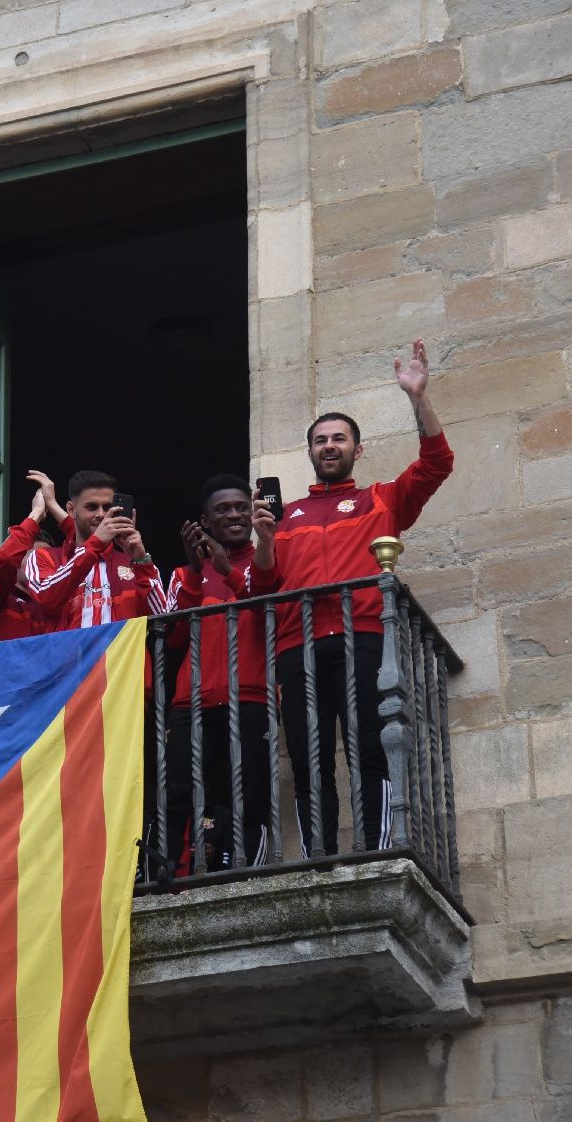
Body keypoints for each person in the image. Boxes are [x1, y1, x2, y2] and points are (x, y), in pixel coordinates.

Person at [252, 339, 453, 858]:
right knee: (307, 758)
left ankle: (375, 847)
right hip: (298, 648)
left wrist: (418, 399)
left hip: (362, 637)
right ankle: (318, 855)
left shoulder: (380, 500)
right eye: (320, 441)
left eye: (339, 439)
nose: (329, 446)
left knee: (368, 748)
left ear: (356, 450)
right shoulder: (287, 514)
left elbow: (436, 465)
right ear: (312, 452)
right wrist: (267, 542)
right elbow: (262, 590)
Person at [161, 474, 275, 875]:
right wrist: (196, 571)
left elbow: (273, 617)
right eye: (222, 510)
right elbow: (172, 636)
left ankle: (247, 872)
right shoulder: (182, 574)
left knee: (250, 792)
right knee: (177, 794)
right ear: (205, 521)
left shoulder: (269, 561)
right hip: (190, 700)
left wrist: (229, 573)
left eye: (241, 507)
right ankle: (173, 874)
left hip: (251, 696)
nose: (234, 515)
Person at [23, 469, 168, 630]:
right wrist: (96, 544)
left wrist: (141, 562)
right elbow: (46, 600)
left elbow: (161, 621)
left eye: (107, 507)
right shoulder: (43, 557)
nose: (101, 514)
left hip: (123, 656)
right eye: (92, 507)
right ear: (71, 510)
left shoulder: (136, 563)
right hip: (70, 656)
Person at [0, 469, 70, 643]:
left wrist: (53, 505)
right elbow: (5, 559)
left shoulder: (59, 606)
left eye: (44, 559)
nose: (37, 564)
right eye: (33, 556)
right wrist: (36, 514)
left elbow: (88, 552)